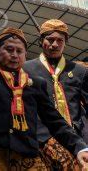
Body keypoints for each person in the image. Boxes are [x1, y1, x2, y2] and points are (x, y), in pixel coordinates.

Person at [0, 27, 88, 170]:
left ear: (25, 56)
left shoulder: (35, 83)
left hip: (26, 154)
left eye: (19, 51)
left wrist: (80, 147)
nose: (14, 55)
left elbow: (54, 121)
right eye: (9, 50)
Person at [23, 19, 88, 169]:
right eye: (50, 39)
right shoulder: (26, 68)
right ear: (41, 40)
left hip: (75, 139)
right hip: (40, 139)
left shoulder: (79, 71)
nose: (55, 44)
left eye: (60, 40)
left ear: (65, 42)